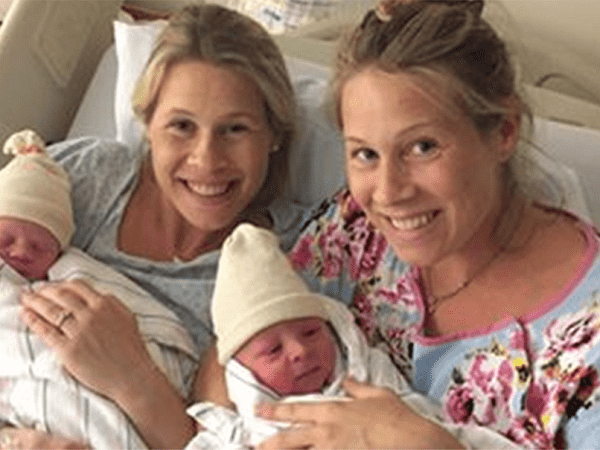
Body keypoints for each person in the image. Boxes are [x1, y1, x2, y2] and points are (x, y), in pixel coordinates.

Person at [250, 0, 600, 449]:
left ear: (504, 131)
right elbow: (239, 344)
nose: (389, 192)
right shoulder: (354, 235)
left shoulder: (585, 341)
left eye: (422, 147)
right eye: (365, 154)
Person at [0, 4, 303, 450]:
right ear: (147, 124)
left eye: (235, 129)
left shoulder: (286, 266)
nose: (207, 159)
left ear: (273, 134)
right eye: (181, 126)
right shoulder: (80, 178)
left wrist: (130, 373)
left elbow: (216, 444)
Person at [184, 223, 518, 449]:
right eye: (273, 350)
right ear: (242, 371)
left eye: (311, 332)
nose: (299, 350)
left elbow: (420, 419)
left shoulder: (367, 375)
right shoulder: (233, 431)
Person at [0, 130, 197, 449]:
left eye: (38, 245)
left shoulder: (75, 270)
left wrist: (132, 373)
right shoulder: (87, 168)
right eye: (182, 125)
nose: (21, 251)